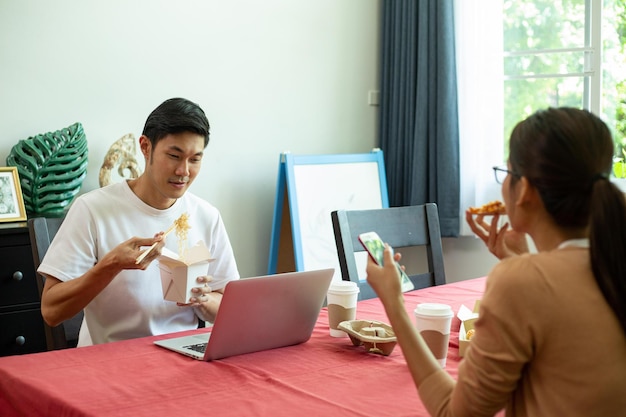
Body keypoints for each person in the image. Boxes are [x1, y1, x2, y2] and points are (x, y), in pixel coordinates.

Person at [366, 107, 626, 416]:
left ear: (525, 188)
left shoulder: (521, 281)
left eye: (506, 173)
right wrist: (524, 260)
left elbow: (456, 413)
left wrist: (393, 302)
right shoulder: (612, 262)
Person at [39, 97, 240, 346]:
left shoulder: (206, 216)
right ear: (145, 147)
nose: (184, 171)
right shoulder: (92, 209)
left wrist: (202, 299)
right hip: (110, 362)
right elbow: (51, 311)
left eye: (195, 159)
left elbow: (231, 310)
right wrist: (110, 265)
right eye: (174, 156)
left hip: (182, 359)